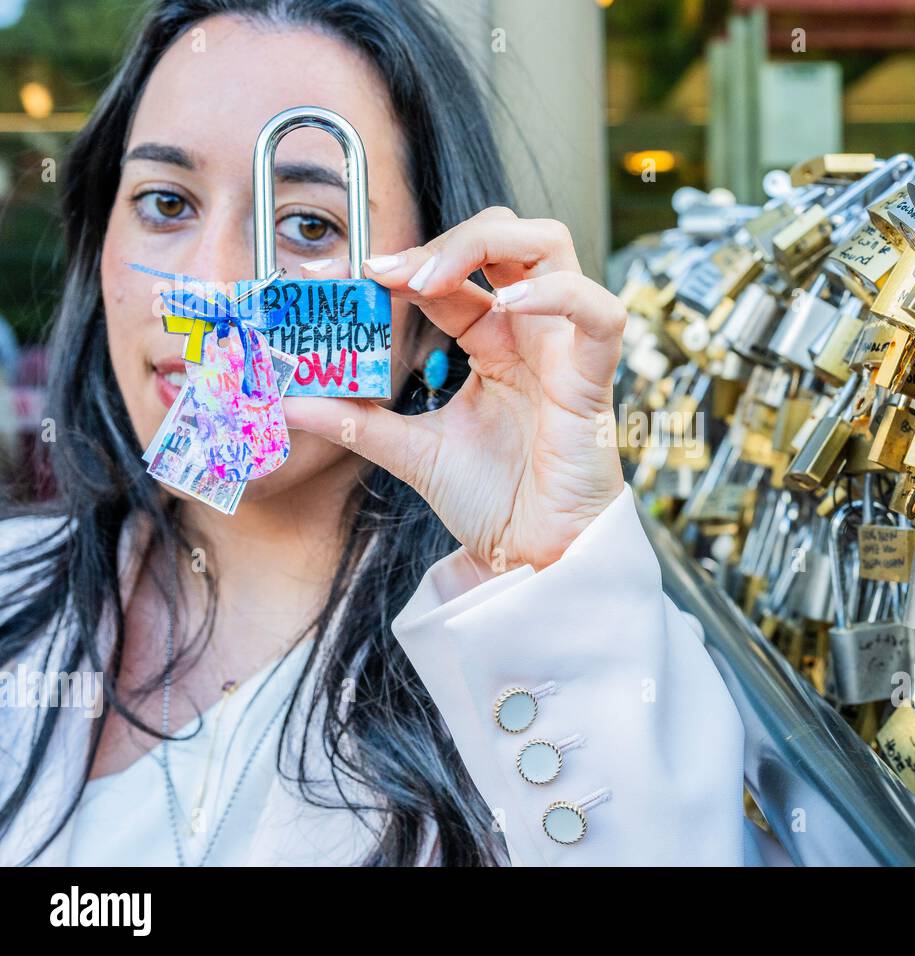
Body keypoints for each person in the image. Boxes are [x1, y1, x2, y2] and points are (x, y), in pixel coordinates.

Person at [0, 0, 771, 866]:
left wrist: (550, 575)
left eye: (310, 225)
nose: (215, 285)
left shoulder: (551, 650)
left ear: (431, 305)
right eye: (166, 202)